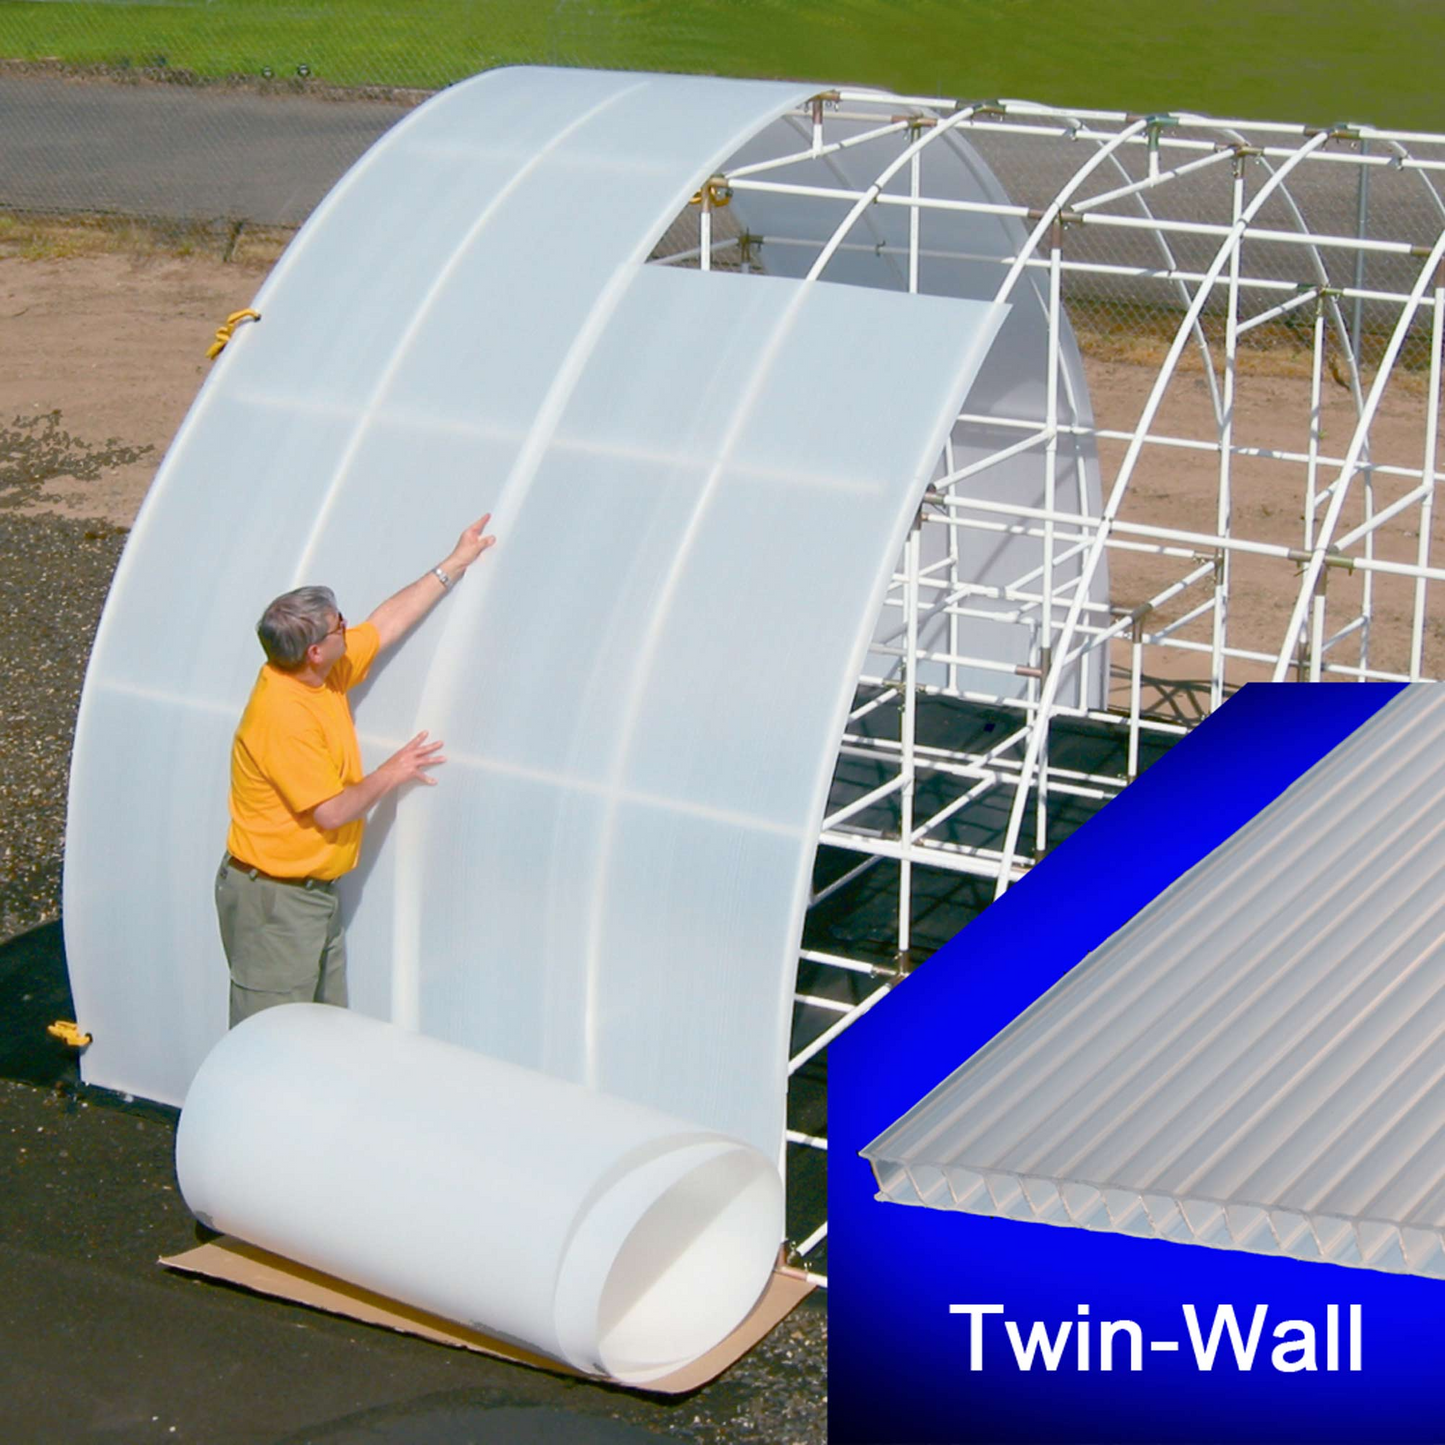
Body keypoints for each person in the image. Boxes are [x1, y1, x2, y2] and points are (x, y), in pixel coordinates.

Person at [215, 514, 496, 1026]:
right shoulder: (283, 718)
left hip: (307, 897)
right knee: (273, 1033)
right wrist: (394, 770)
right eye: (338, 625)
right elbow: (331, 812)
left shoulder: (319, 673)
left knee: (324, 1030)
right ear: (314, 651)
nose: (348, 626)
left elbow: (385, 625)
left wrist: (455, 562)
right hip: (275, 904)